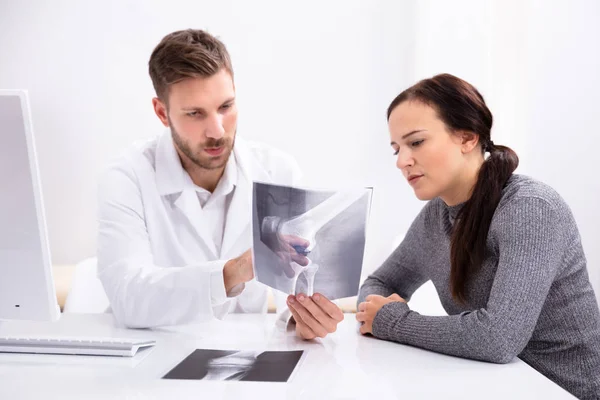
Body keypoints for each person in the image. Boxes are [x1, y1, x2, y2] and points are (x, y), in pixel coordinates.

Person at [356, 73, 600, 399]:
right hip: (495, 386)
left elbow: (497, 339)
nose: (402, 161)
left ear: (468, 138)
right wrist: (378, 311)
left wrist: (392, 321)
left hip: (565, 392)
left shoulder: (530, 208)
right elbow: (378, 285)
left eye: (416, 142)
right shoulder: (436, 216)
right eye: (396, 148)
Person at [97, 29, 343, 338]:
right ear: (162, 112)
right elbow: (128, 296)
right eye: (195, 113)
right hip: (152, 360)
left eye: (225, 107)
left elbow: (296, 291)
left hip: (245, 361)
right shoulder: (127, 176)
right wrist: (233, 272)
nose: (216, 130)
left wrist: (304, 320)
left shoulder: (278, 170)